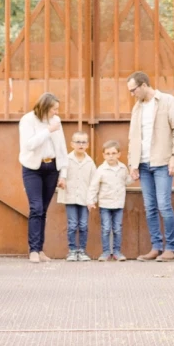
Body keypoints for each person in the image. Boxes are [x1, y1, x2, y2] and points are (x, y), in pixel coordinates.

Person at [126, 70, 174, 261]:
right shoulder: (137, 108)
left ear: (144, 85)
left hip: (162, 162)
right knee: (150, 207)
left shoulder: (167, 101)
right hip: (143, 164)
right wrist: (132, 163)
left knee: (164, 205)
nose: (132, 94)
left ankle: (171, 249)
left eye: (133, 90)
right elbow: (133, 137)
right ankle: (156, 247)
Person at [19, 91, 66, 263]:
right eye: (54, 109)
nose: (56, 113)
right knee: (36, 208)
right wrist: (48, 131)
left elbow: (61, 147)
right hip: (33, 168)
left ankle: (40, 250)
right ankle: (33, 250)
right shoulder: (28, 120)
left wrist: (63, 174)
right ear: (45, 107)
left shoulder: (56, 120)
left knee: (43, 210)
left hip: (52, 168)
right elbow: (29, 145)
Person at [59, 129, 95, 261]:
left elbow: (94, 182)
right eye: (78, 142)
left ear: (87, 145)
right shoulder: (66, 160)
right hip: (70, 197)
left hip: (85, 199)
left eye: (84, 142)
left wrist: (92, 199)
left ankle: (82, 251)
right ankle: (72, 250)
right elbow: (61, 174)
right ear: (72, 144)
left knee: (84, 225)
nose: (81, 145)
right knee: (73, 224)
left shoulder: (90, 163)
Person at [89, 138, 128, 261]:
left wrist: (133, 176)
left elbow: (126, 181)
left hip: (119, 203)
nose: (111, 156)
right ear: (103, 155)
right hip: (105, 204)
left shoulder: (123, 168)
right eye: (108, 153)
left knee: (117, 229)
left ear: (119, 154)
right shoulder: (101, 170)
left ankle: (117, 252)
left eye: (113, 153)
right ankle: (106, 252)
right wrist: (91, 200)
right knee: (106, 228)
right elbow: (94, 186)